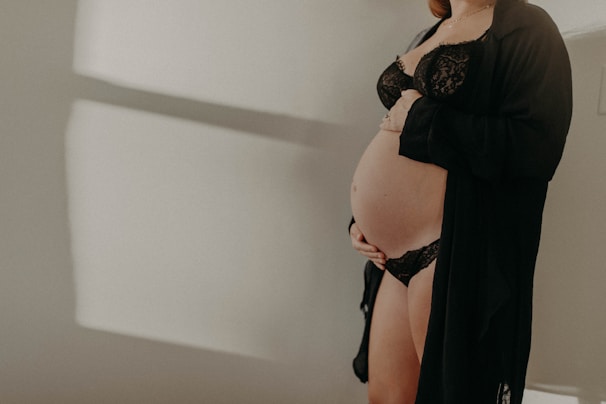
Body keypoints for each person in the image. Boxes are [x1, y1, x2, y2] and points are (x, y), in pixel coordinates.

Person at [348, 0, 573, 403]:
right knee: (386, 399)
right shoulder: (433, 32)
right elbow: (394, 135)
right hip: (390, 260)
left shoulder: (528, 27)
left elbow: (537, 147)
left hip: (453, 248)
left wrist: (425, 117)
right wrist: (362, 220)